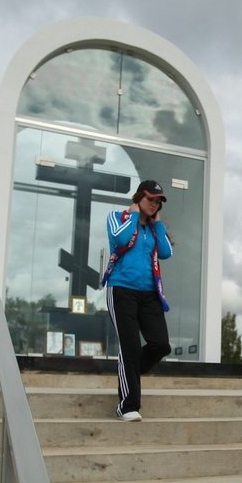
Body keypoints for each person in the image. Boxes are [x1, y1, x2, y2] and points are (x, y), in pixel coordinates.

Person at [103, 179, 173, 422]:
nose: (154, 205)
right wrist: (133, 216)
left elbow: (166, 252)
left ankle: (131, 370)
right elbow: (120, 240)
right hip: (121, 289)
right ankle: (127, 405)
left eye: (158, 202)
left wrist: (160, 224)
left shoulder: (154, 228)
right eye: (150, 199)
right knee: (130, 346)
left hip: (150, 293)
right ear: (138, 197)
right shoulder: (117, 217)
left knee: (161, 344)